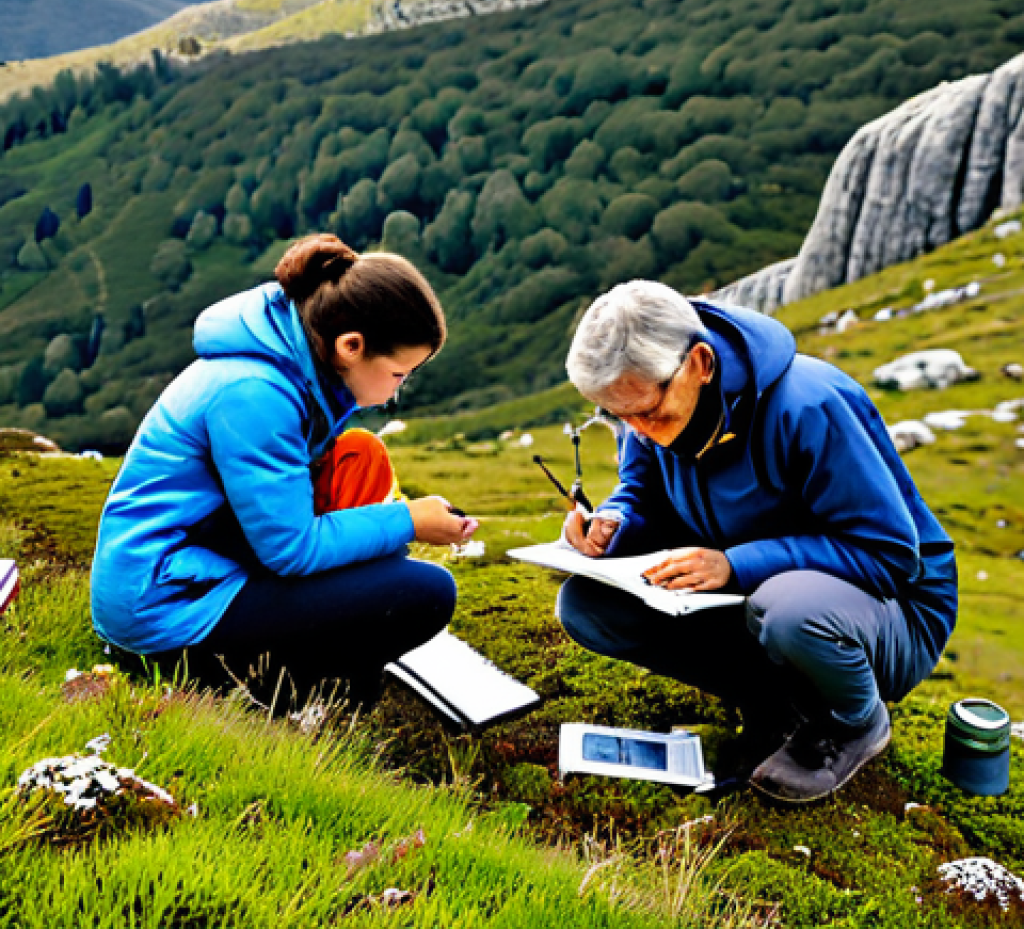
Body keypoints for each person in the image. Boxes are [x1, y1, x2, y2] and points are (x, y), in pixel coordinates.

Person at [556, 280, 957, 801]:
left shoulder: (811, 406)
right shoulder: (651, 404)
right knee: (588, 604)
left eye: (650, 413)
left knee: (789, 611)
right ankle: (774, 706)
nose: (641, 431)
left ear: (700, 363)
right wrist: (613, 523)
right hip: (753, 598)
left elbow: (888, 555)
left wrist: (737, 564)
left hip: (891, 614)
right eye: (620, 416)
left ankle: (853, 722)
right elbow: (641, 490)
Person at [91, 234, 474, 710]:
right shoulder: (255, 393)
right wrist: (412, 520)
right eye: (399, 373)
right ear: (351, 346)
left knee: (368, 489)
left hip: (203, 565)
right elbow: (292, 550)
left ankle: (320, 691)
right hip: (166, 615)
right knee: (427, 593)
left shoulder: (290, 362)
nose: (400, 390)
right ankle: (300, 702)